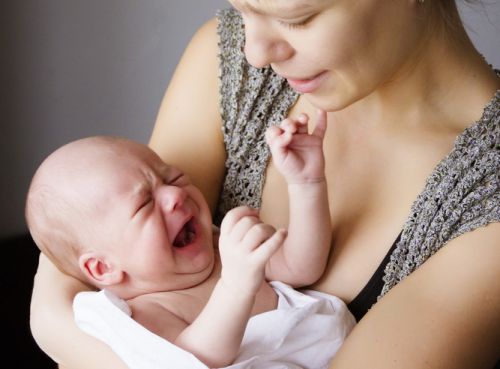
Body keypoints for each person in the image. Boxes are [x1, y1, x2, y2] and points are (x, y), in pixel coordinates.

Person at [30, 1, 499, 368]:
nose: (256, 52)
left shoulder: (486, 190)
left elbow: (60, 317)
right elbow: (72, 257)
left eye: (297, 18)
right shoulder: (229, 53)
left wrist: (307, 185)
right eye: (243, 7)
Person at [26, 117, 355, 368]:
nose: (173, 195)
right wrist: (236, 286)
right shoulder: (146, 314)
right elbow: (196, 360)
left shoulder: (221, 248)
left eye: (172, 178)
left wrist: (306, 183)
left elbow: (302, 265)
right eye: (144, 205)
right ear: (104, 268)